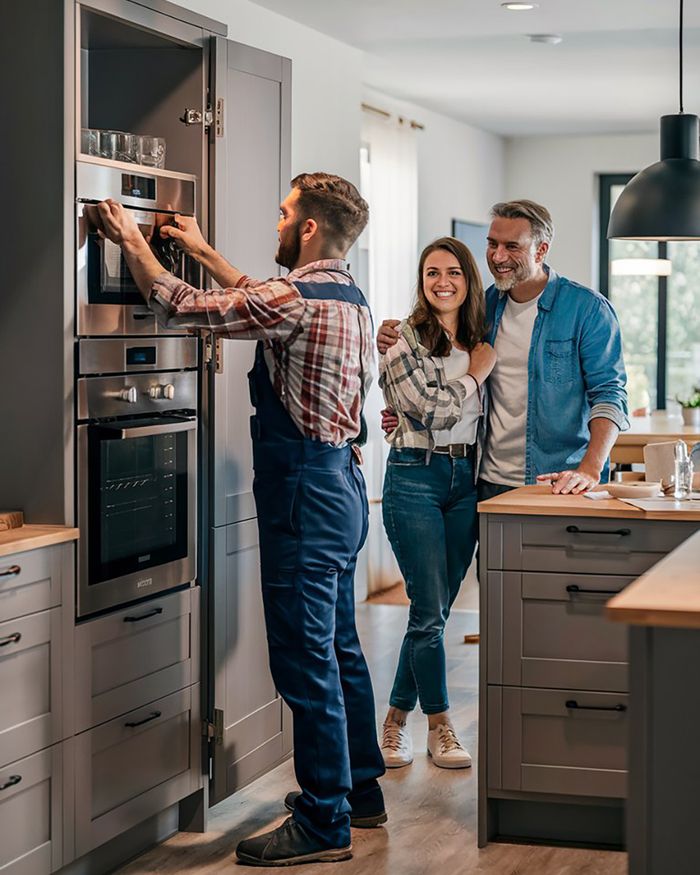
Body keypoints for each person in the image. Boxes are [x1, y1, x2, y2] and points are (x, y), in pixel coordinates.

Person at [91, 172, 386, 867]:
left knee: (304, 657)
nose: (279, 221)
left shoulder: (293, 299)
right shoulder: (345, 294)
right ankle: (360, 790)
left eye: (286, 213)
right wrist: (204, 245)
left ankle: (323, 820)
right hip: (340, 485)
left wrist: (132, 238)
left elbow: (184, 303)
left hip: (303, 495)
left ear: (308, 227)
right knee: (339, 644)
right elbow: (260, 297)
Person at [378, 200, 628, 499]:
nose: (498, 256)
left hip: (559, 480)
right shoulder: (483, 307)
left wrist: (590, 467)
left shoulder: (586, 309)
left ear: (541, 250)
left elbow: (609, 394)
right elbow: (440, 360)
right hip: (485, 478)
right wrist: (393, 340)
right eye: (492, 244)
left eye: (512, 246)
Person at [377, 237, 496, 770]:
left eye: (453, 272)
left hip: (465, 482)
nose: (442, 281)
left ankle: (394, 721)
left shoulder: (480, 335)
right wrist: (477, 373)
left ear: (469, 280)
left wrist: (480, 364)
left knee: (436, 613)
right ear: (421, 282)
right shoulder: (403, 339)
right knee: (428, 612)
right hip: (415, 479)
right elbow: (429, 412)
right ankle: (441, 726)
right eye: (431, 273)